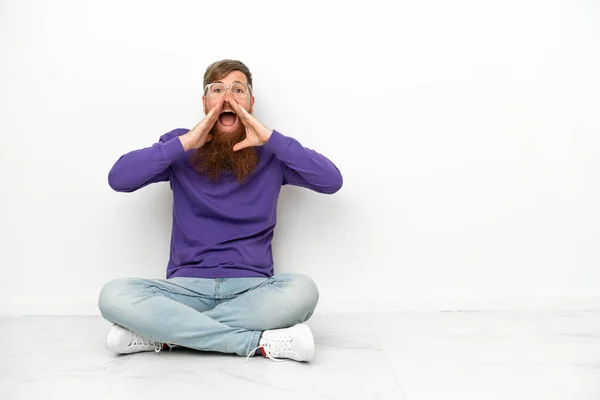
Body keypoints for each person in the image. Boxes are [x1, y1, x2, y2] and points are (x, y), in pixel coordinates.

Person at [97, 59, 343, 362]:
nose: (228, 98)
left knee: (303, 291)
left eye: (238, 90)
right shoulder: (179, 147)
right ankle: (258, 343)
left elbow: (332, 181)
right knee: (113, 295)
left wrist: (271, 138)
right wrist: (185, 142)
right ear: (204, 103)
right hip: (185, 291)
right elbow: (118, 179)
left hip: (253, 291)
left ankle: (163, 334)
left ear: (251, 102)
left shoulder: (273, 152)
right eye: (217, 89)